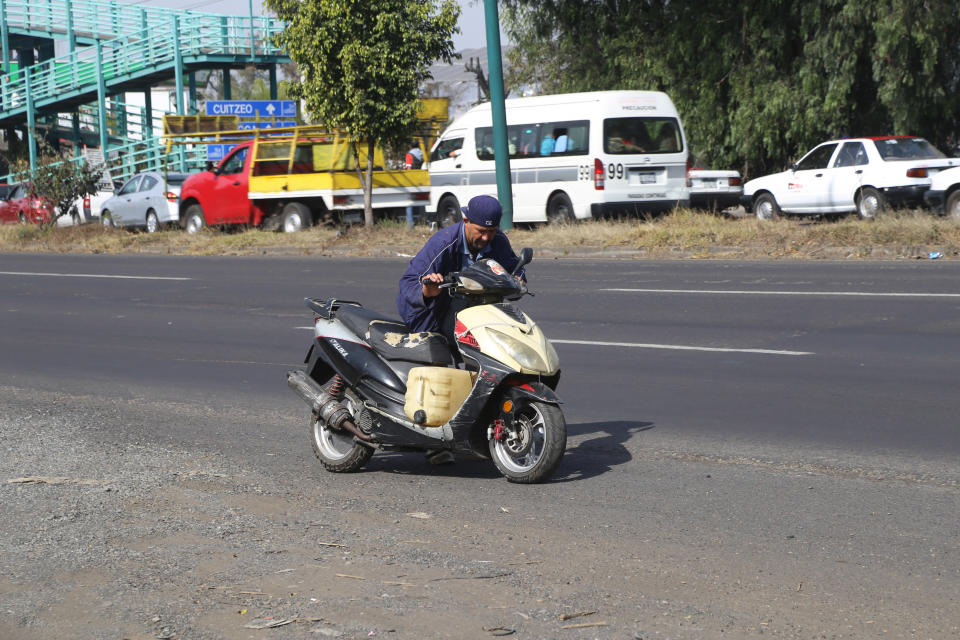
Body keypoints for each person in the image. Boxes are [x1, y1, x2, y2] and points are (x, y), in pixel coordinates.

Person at [397, 195, 526, 340]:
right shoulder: (442, 243)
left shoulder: (498, 240)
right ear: (466, 221)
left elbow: (514, 268)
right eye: (481, 231)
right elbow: (409, 282)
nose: (486, 238)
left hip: (479, 311)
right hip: (434, 314)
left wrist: (518, 279)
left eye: (492, 231)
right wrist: (426, 292)